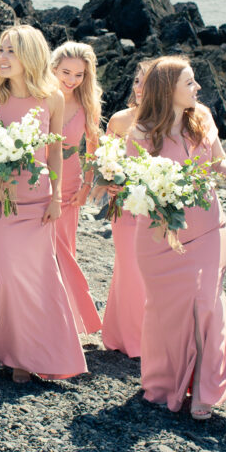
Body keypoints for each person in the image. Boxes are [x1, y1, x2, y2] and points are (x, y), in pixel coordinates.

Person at [127, 56, 226, 419]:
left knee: (207, 303)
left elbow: (217, 162)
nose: (197, 88)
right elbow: (133, 186)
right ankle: (164, 384)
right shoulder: (141, 132)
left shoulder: (202, 117)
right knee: (166, 312)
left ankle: (206, 389)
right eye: (189, 82)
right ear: (167, 88)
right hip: (160, 236)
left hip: (207, 228)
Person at [0, 25, 87, 383]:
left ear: (30, 57)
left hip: (37, 202)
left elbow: (55, 153)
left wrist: (56, 198)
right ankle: (12, 351)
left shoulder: (52, 99)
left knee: (38, 276)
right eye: (1, 50)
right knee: (9, 273)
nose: (2, 58)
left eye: (11, 52)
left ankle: (25, 353)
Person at [101, 60, 153, 358]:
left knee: (152, 272)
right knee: (129, 268)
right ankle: (130, 339)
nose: (139, 87)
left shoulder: (170, 121)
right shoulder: (120, 120)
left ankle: (150, 335)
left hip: (156, 208)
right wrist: (109, 181)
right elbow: (106, 162)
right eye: (137, 81)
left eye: (147, 82)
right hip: (125, 208)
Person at [50, 42, 103, 335]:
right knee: (39, 247)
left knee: (64, 248)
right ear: (54, 69)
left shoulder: (88, 105)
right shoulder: (41, 97)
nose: (71, 80)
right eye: (66, 72)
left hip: (70, 183)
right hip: (38, 178)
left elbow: (93, 148)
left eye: (79, 75)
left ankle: (67, 317)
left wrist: (87, 184)